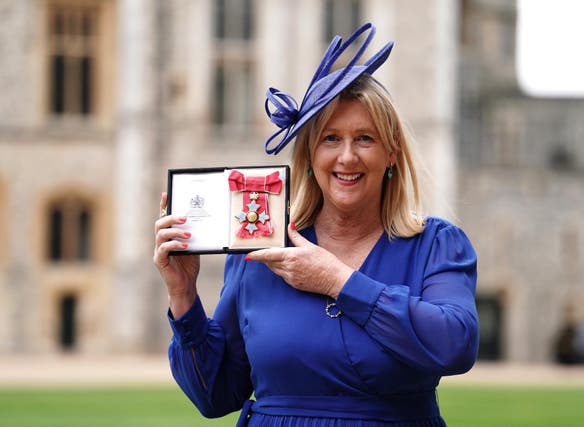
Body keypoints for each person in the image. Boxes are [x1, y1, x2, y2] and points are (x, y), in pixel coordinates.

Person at [154, 22, 479, 427]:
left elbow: (456, 345)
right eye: (330, 139)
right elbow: (215, 394)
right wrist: (182, 294)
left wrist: (339, 282)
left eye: (365, 139)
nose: (346, 157)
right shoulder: (260, 250)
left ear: (392, 153)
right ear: (309, 154)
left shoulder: (436, 245)